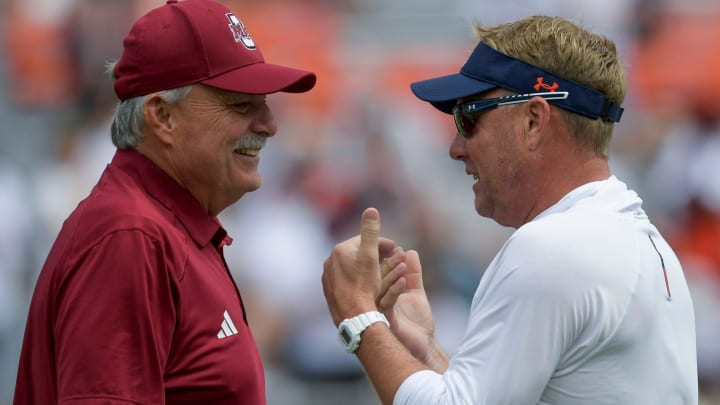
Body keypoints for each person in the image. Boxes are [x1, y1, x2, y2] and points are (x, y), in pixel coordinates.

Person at [321, 15, 698, 405]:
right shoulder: (642, 241)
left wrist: (359, 315)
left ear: (534, 120)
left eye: (468, 118)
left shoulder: (553, 246)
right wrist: (427, 353)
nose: (455, 148)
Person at [14, 0, 315, 403]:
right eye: (241, 104)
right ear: (162, 116)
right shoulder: (130, 236)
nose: (269, 125)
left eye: (264, 103)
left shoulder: (164, 226)